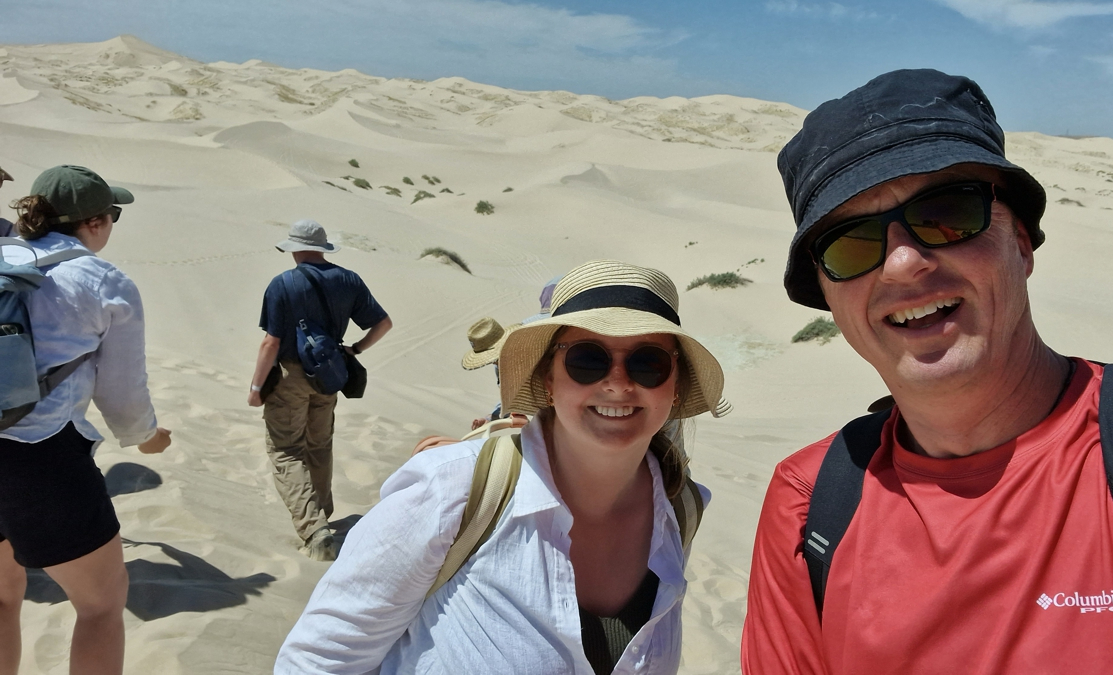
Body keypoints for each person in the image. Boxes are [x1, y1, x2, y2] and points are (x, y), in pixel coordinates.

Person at [741, 68, 1113, 673]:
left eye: (948, 214)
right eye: (850, 245)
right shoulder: (807, 508)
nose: (903, 263)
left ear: (1022, 243)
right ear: (829, 296)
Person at [276, 259, 728, 674]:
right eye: (587, 358)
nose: (617, 383)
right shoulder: (452, 487)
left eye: (647, 362)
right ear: (548, 378)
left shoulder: (680, 508)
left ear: (675, 385)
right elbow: (317, 660)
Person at [0, 165, 172, 675]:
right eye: (112, 214)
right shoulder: (103, 280)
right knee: (99, 605)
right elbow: (122, 397)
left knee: (3, 596)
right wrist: (146, 439)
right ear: (95, 223)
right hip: (42, 457)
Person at [248, 219, 392, 561]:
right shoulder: (348, 279)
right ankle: (322, 515)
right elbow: (383, 323)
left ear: (294, 248)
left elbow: (270, 343)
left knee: (286, 450)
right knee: (319, 445)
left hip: (289, 377)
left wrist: (256, 387)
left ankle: (314, 529)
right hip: (328, 376)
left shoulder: (282, 284)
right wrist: (353, 350)